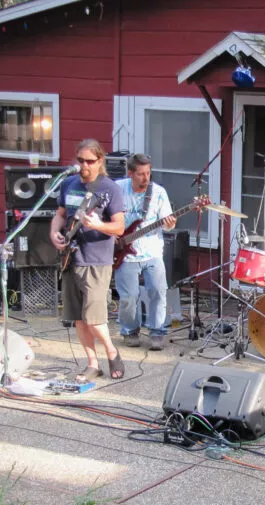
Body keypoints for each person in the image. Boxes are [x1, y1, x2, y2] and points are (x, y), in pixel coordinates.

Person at [50, 139, 126, 381]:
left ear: (100, 161)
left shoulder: (109, 188)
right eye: (80, 160)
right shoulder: (69, 183)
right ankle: (92, 363)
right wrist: (54, 233)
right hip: (71, 257)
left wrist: (99, 225)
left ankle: (112, 351)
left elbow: (120, 227)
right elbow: (60, 215)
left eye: (90, 161)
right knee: (79, 318)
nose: (84, 165)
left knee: (94, 318)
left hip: (96, 259)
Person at [114, 153, 177, 351]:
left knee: (158, 291)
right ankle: (129, 331)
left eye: (148, 173)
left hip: (152, 251)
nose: (146, 178)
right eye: (141, 174)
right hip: (125, 252)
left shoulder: (158, 192)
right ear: (130, 173)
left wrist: (170, 223)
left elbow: (168, 224)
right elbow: (105, 217)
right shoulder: (117, 189)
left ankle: (157, 332)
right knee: (128, 297)